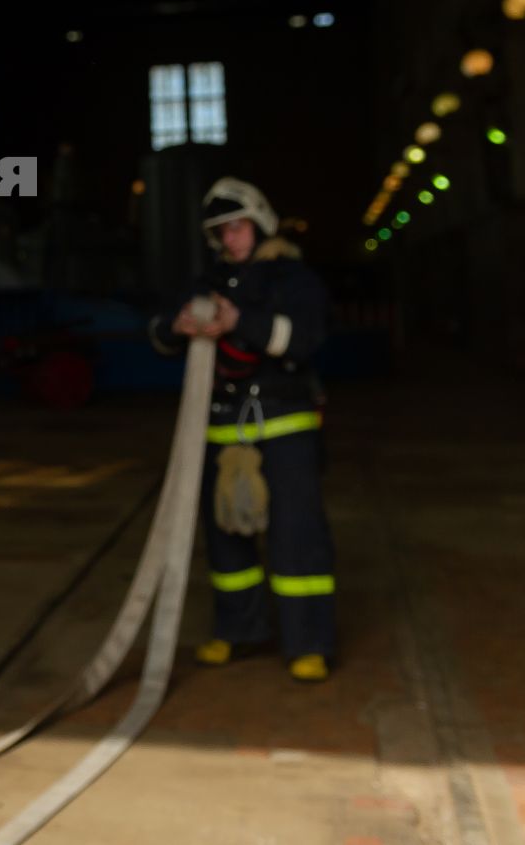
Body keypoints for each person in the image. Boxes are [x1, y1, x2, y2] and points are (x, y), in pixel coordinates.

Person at [148, 177, 336, 683]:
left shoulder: (292, 279)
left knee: (297, 538)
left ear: (259, 223)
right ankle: (239, 631)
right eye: (221, 231)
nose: (229, 238)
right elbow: (159, 331)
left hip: (285, 424)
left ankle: (309, 643)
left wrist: (240, 322)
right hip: (221, 428)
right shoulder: (207, 281)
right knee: (227, 538)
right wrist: (178, 325)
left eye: (237, 227)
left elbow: (304, 339)